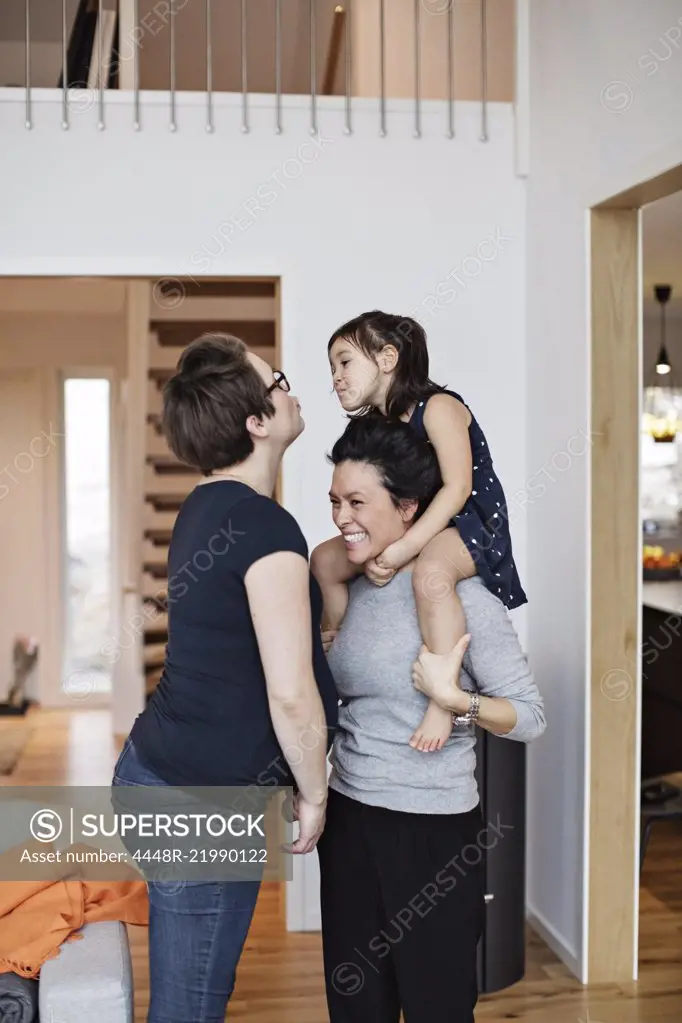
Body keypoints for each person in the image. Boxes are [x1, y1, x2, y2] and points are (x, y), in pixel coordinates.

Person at [111, 333, 338, 1023]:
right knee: (189, 1005)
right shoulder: (264, 527)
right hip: (197, 804)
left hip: (159, 774)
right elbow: (289, 691)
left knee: (188, 992)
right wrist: (315, 792)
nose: (293, 390)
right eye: (280, 382)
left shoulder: (207, 505)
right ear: (257, 422)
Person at [316, 414, 545, 1023]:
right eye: (335, 500)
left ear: (409, 508)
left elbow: (530, 717)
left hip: (433, 835)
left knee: (436, 1007)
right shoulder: (349, 586)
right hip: (349, 822)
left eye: (358, 502)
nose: (342, 517)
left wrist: (456, 701)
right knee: (355, 1006)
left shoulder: (461, 595)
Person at [312, 310, 527, 753]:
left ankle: (440, 699)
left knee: (431, 574)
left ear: (388, 357)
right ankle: (332, 635)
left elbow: (458, 486)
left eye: (345, 362)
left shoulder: (439, 408)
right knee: (324, 560)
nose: (336, 377)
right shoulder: (376, 424)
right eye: (332, 368)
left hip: (469, 522)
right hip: (422, 521)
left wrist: (405, 547)